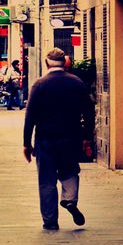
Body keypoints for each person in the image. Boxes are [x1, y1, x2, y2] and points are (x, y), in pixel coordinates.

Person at [23, 47, 95, 230]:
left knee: (46, 181)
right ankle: (69, 199)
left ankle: (50, 221)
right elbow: (89, 113)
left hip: (45, 140)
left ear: (46, 63)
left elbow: (30, 116)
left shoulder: (39, 84)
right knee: (70, 171)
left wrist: (26, 143)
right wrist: (87, 138)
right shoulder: (77, 83)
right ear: (65, 63)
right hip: (71, 138)